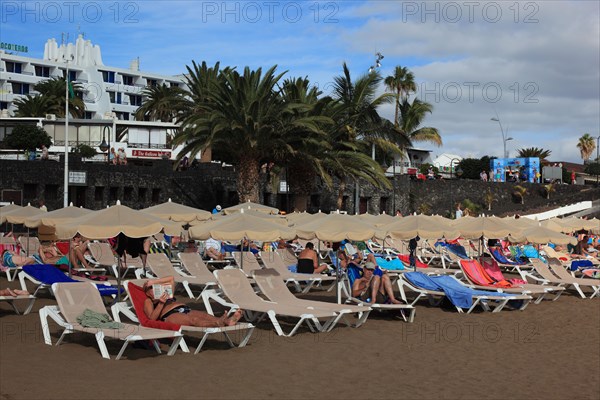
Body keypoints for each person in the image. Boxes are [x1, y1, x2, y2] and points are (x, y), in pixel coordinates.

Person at [143, 276, 242, 327]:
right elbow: (151, 319)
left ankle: (227, 321)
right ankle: (217, 323)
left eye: (154, 286)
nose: (154, 288)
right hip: (170, 315)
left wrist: (154, 282)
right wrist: (160, 303)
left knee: (205, 315)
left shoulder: (167, 294)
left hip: (184, 309)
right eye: (151, 287)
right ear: (147, 292)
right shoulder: (149, 301)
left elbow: (171, 279)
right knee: (193, 320)